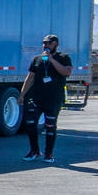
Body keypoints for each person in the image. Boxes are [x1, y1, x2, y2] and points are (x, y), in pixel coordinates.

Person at [18, 34, 72, 163]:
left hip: (54, 98)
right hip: (37, 97)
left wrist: (52, 60)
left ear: (56, 44)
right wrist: (22, 94)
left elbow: (67, 72)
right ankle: (35, 151)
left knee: (50, 125)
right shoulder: (37, 59)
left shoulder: (63, 58)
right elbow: (30, 78)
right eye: (44, 43)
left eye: (48, 43)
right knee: (30, 123)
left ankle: (49, 154)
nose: (45, 45)